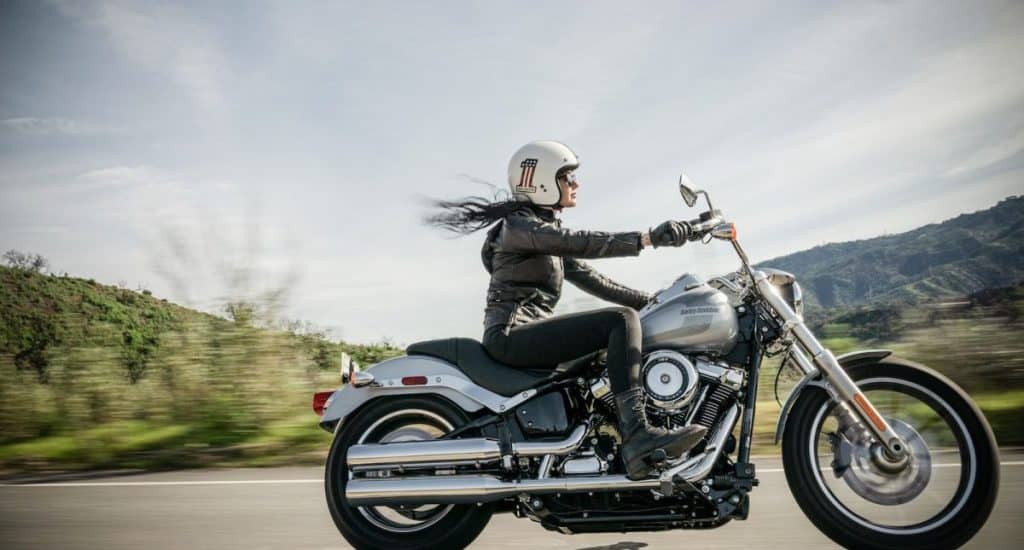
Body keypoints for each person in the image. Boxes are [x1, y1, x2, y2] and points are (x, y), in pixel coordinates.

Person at [428, 140, 706, 479]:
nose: (575, 185)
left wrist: (656, 302)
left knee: (622, 325)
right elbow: (582, 241)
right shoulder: (519, 227)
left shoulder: (541, 235)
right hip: (511, 336)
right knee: (619, 321)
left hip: (527, 333)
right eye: (567, 177)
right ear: (541, 181)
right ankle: (637, 436)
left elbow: (598, 282)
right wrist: (647, 238)